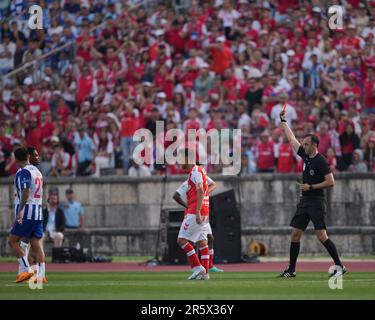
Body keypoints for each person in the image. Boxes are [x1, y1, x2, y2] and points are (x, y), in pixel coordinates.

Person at [278, 109, 346, 278]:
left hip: (316, 200)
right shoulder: (306, 157)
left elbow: (331, 181)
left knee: (321, 234)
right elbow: (292, 139)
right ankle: (291, 269)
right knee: (295, 234)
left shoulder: (320, 160)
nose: (303, 146)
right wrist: (283, 121)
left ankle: (339, 265)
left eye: (306, 144)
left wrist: (311, 187)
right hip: (305, 201)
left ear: (314, 145)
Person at [8, 147, 47, 283]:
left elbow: (26, 191)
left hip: (27, 211)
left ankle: (27, 269)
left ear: (17, 159)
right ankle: (41, 275)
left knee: (12, 241)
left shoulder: (23, 172)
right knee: (36, 244)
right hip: (38, 211)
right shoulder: (37, 171)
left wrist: (20, 210)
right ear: (28, 156)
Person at [173, 178, 224, 273]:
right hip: (193, 214)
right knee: (189, 240)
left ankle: (208, 267)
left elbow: (214, 184)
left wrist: (206, 192)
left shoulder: (202, 178)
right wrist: (187, 206)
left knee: (209, 238)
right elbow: (176, 196)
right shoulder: (188, 183)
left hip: (203, 214)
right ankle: (197, 266)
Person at [177, 148, 211, 280]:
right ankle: (206, 273)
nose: (180, 163)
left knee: (181, 240)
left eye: (181, 159)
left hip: (195, 211)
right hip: (205, 210)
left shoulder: (195, 172)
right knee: (202, 242)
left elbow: (201, 190)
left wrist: (196, 211)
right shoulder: (201, 170)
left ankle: (198, 268)